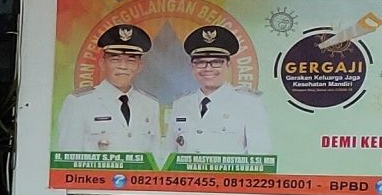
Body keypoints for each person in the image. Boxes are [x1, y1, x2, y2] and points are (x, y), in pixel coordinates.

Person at [167, 26, 273, 157]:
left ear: (228, 65)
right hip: (188, 177)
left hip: (229, 177)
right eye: (200, 63)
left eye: (216, 62)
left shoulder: (249, 104)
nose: (208, 69)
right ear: (192, 67)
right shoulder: (181, 104)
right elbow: (169, 155)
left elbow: (259, 158)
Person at [56, 24, 162, 155]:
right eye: (115, 60)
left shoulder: (149, 104)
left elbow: (155, 157)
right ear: (102, 64)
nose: (123, 66)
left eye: (130, 60)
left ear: (139, 66)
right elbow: (68, 157)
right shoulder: (79, 103)